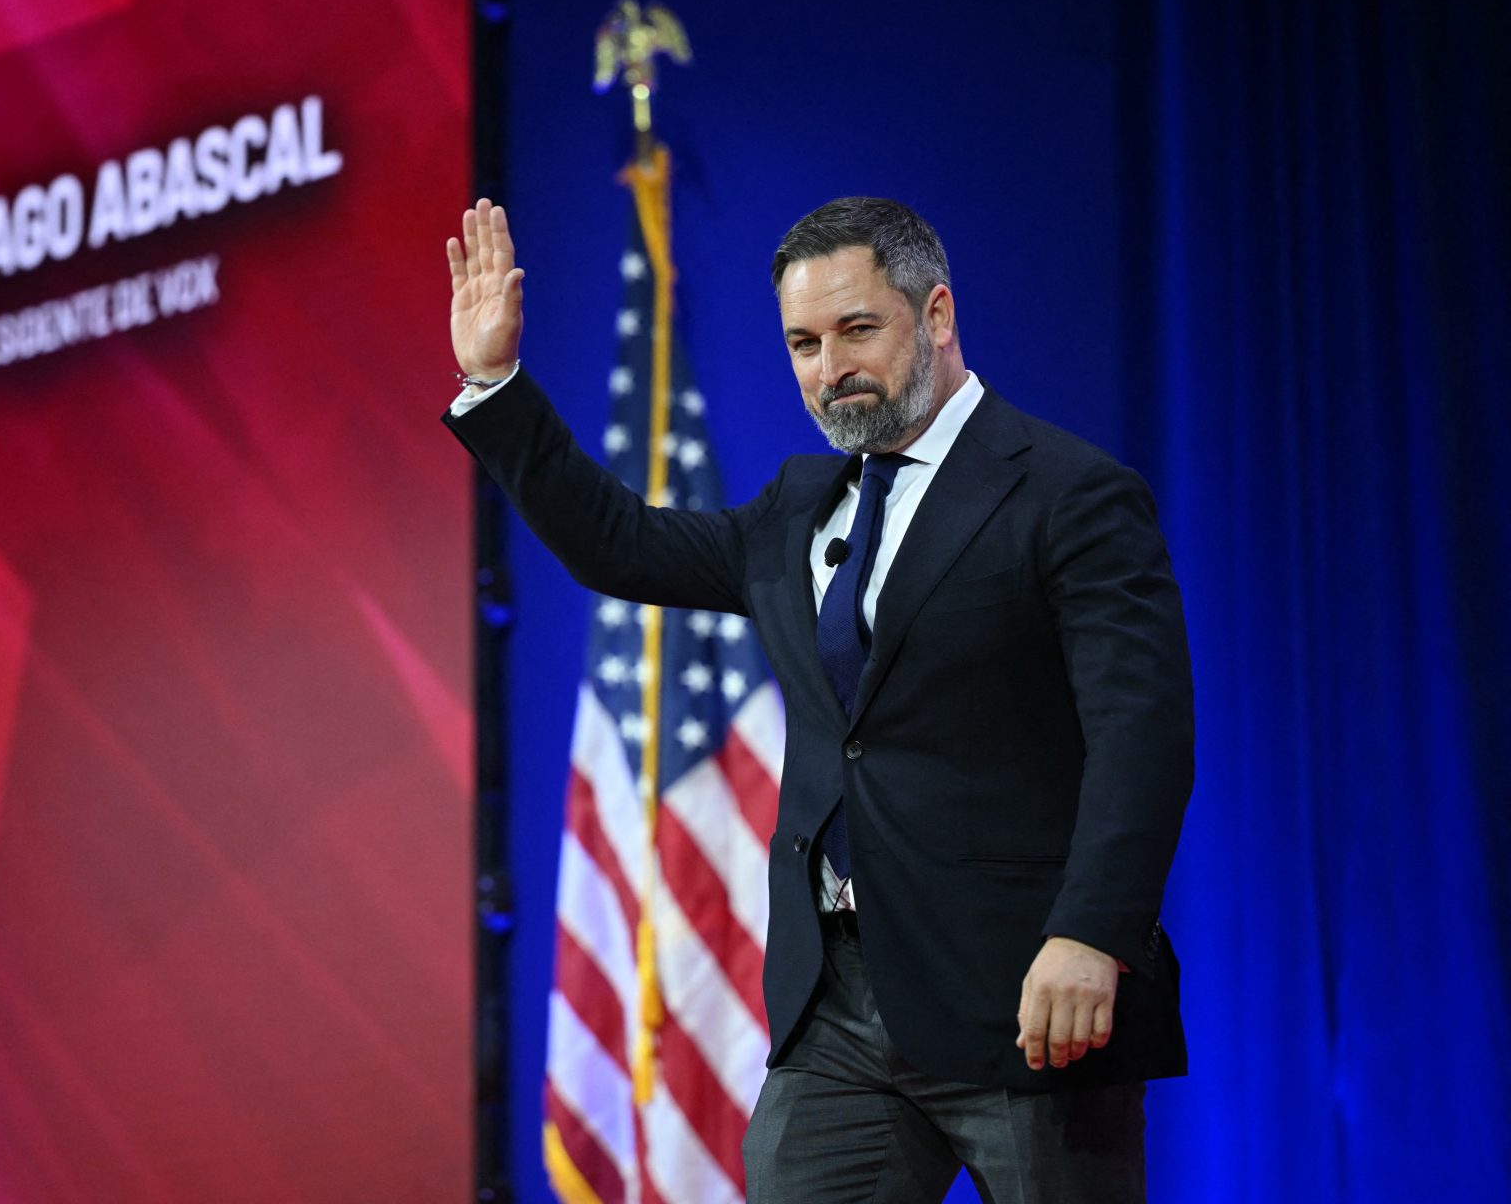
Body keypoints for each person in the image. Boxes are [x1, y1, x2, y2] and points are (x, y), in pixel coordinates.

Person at [443, 196, 1193, 1203]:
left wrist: (1094, 931)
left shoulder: (1067, 493)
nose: (827, 366)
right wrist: (495, 382)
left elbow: (1142, 734)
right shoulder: (801, 503)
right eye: (802, 341)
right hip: (838, 1006)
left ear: (935, 315)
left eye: (855, 329)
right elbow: (614, 543)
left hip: (1029, 996)